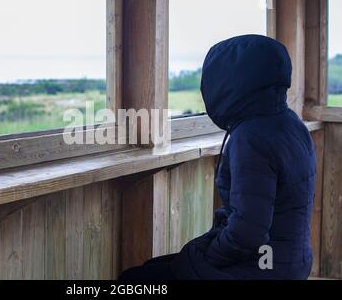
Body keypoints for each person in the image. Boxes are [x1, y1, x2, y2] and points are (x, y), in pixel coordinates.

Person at [119, 35, 316, 280]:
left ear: (232, 82)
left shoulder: (251, 137)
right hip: (290, 260)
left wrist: (209, 256)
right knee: (159, 267)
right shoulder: (289, 122)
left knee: (137, 278)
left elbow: (248, 233)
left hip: (263, 267)